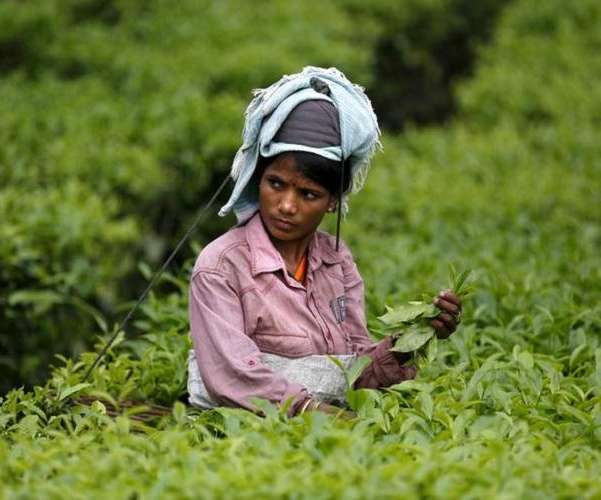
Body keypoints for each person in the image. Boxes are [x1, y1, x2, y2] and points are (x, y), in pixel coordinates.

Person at [187, 67, 461, 417]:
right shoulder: (221, 267)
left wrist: (417, 336)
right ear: (258, 179)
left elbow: (358, 373)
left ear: (333, 200)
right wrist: (323, 416)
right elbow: (234, 377)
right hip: (242, 437)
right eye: (275, 184)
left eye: (308, 193)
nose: (287, 205)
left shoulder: (336, 261)